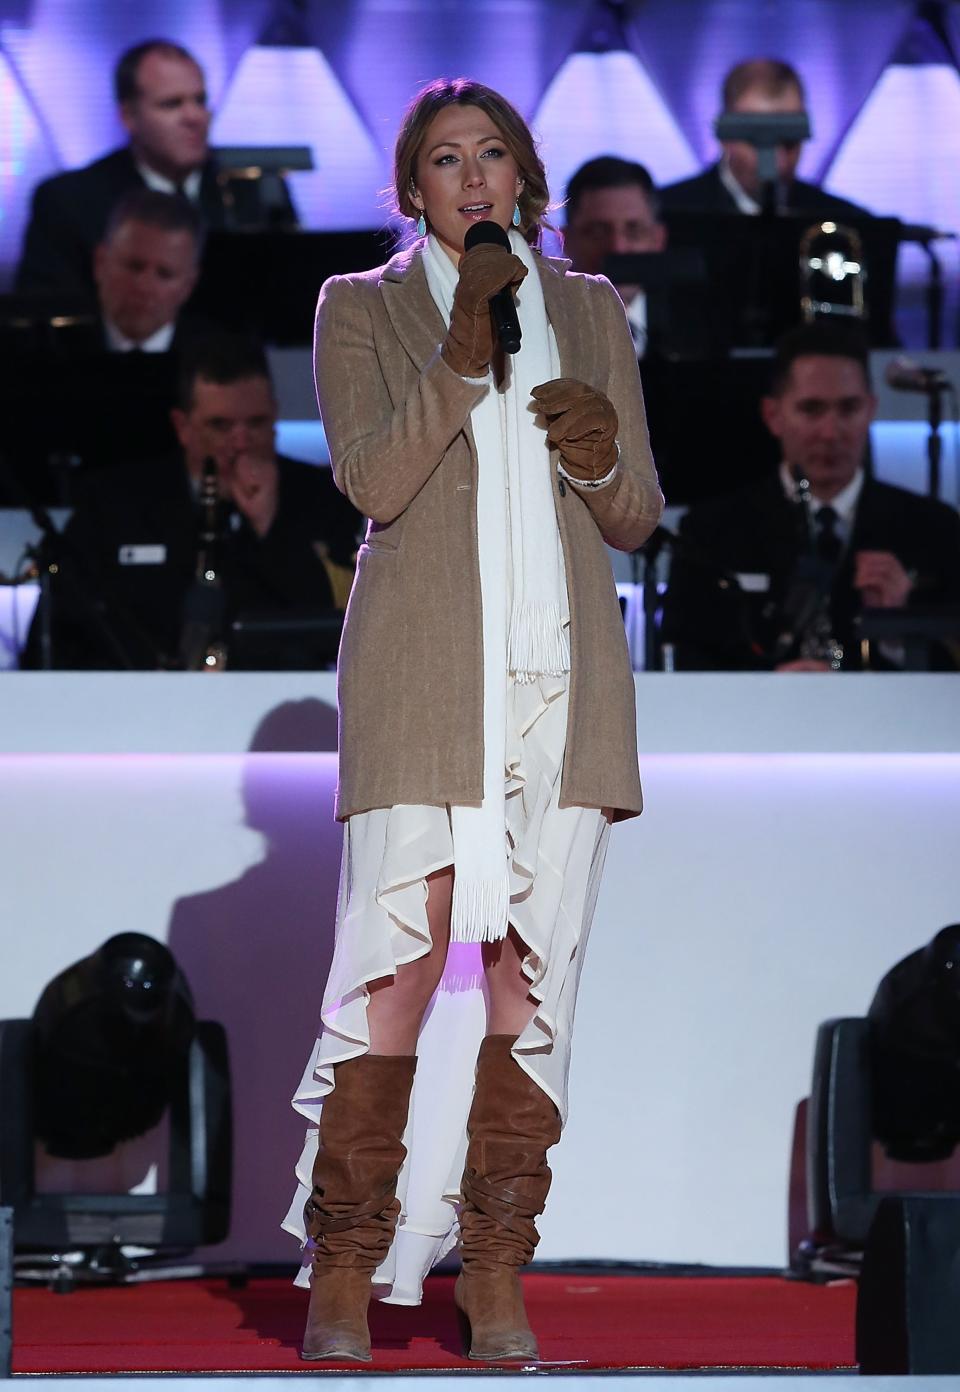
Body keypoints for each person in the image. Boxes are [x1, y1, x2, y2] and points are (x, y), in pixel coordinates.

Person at [282, 78, 662, 1365]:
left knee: (526, 973)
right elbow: (374, 480)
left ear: (526, 176)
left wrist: (601, 454)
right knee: (397, 965)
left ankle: (494, 1268)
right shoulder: (360, 307)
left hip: (560, 678)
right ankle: (345, 1264)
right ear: (413, 190)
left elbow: (635, 517)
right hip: (425, 671)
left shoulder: (593, 308)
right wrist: (458, 357)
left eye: (493, 153)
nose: (475, 176)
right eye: (446, 160)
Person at [22, 334, 361, 670]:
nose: (240, 443)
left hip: (280, 705)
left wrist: (268, 526)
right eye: (220, 426)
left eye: (256, 423)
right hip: (138, 707)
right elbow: (57, 637)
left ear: (274, 415)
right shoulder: (115, 502)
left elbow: (345, 624)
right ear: (183, 427)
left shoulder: (324, 495)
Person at [659, 321, 960, 671]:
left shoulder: (933, 528)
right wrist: (767, 689)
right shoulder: (711, 532)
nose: (830, 432)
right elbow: (684, 660)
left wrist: (900, 632)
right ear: (773, 415)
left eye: (848, 409)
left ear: (871, 410)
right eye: (812, 409)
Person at [16, 39, 226, 294]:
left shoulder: (243, 188)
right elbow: (47, 316)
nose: (194, 117)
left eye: (200, 101)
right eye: (172, 104)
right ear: (129, 117)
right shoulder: (70, 202)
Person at [660, 59, 868, 219]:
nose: (778, 162)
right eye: (758, 141)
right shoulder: (666, 216)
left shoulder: (845, 223)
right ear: (725, 135)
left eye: (789, 142)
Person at [563, 156, 666, 353]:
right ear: (566, 240)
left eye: (633, 230)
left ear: (658, 238)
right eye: (598, 231)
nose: (617, 247)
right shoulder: (546, 327)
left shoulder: (701, 327)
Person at [92, 189, 205, 353]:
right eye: (134, 266)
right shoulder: (48, 342)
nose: (144, 287)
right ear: (100, 263)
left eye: (164, 274)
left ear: (189, 285)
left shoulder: (219, 354)